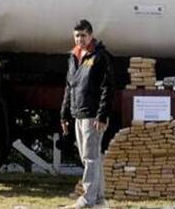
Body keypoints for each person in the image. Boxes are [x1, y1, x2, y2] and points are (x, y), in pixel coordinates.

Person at [60, 20, 114, 208]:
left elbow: (108, 88)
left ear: (91, 35)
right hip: (79, 113)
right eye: (76, 35)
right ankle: (99, 199)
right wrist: (64, 114)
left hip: (92, 115)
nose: (79, 39)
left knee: (91, 157)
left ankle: (88, 198)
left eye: (83, 35)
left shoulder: (100, 57)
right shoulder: (74, 57)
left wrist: (102, 115)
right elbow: (70, 87)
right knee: (89, 157)